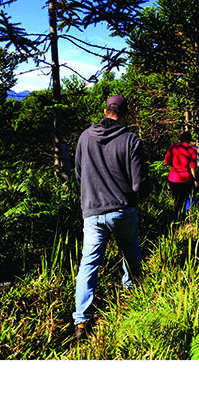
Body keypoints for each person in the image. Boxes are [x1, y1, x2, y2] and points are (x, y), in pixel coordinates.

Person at [73, 95, 151, 341]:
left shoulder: (85, 137)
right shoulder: (130, 140)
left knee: (89, 264)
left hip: (93, 212)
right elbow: (139, 184)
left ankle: (82, 322)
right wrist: (146, 194)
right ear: (125, 113)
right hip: (122, 210)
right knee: (131, 252)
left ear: (105, 110)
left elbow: (78, 174)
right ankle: (132, 297)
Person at [164, 131, 198, 221]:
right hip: (186, 179)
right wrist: (195, 179)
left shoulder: (173, 147)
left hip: (173, 178)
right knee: (183, 199)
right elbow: (193, 166)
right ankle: (181, 218)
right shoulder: (192, 150)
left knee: (177, 199)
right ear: (189, 139)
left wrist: (175, 164)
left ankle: (176, 217)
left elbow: (166, 162)